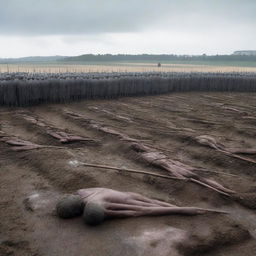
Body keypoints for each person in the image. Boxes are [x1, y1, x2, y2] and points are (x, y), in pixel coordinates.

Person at [56, 188, 227, 225]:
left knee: (151, 204)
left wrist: (182, 210)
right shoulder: (83, 192)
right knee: (151, 203)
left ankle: (182, 207)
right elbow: (137, 212)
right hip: (128, 196)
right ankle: (182, 207)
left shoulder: (91, 202)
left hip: (129, 198)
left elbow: (140, 212)